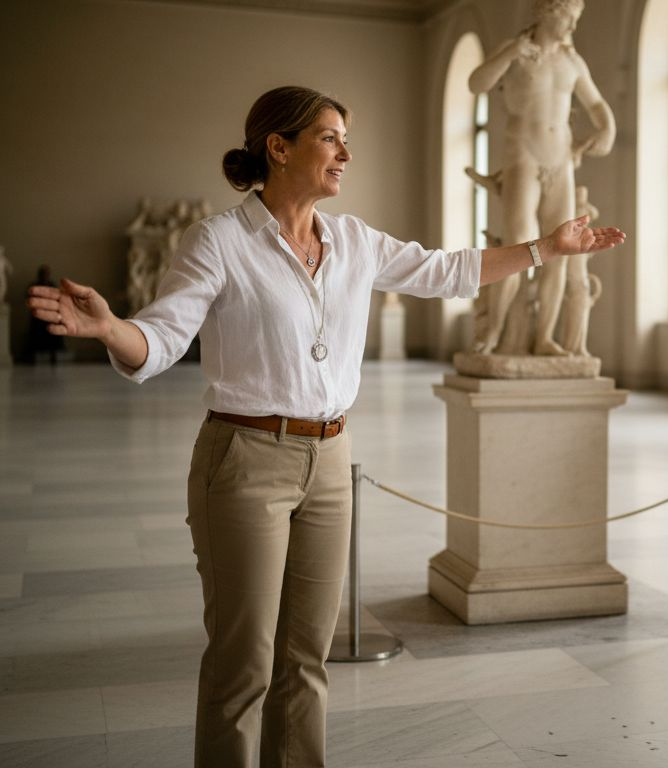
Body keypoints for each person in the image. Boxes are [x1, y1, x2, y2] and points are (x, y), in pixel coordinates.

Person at [26, 85, 624, 767]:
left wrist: (544, 248)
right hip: (244, 461)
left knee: (307, 658)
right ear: (278, 148)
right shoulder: (220, 241)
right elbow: (159, 342)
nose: (346, 152)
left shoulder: (355, 241)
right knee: (242, 663)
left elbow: (445, 271)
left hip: (331, 462)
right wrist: (110, 330)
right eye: (331, 137)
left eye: (345, 138)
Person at [467, 0, 616, 356]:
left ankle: (544, 337)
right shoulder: (515, 50)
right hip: (523, 157)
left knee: (561, 250)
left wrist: (607, 127)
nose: (571, 26)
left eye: (575, 18)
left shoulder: (571, 61)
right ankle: (495, 333)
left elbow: (595, 103)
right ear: (545, 13)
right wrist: (511, 53)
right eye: (567, 17)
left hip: (560, 159)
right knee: (519, 244)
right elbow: (477, 83)